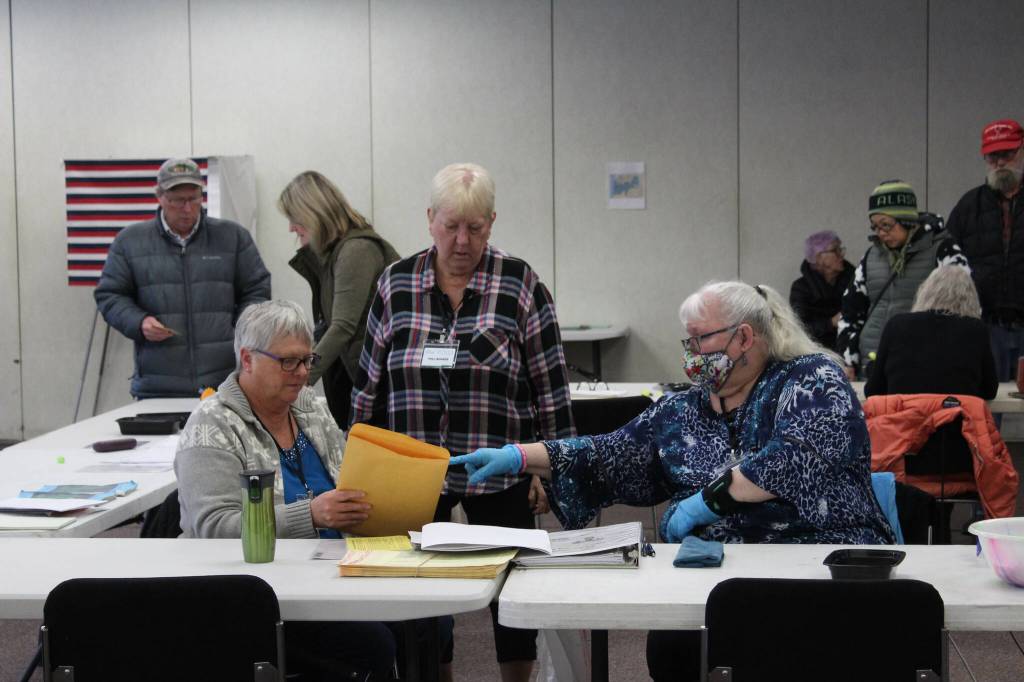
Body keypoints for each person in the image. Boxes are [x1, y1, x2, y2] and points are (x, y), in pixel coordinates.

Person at [450, 281, 895, 682]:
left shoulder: (813, 377)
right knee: (673, 647)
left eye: (702, 339)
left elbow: (797, 456)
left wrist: (706, 502)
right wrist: (521, 455)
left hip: (824, 576)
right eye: (689, 340)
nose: (691, 353)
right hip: (718, 586)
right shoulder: (684, 410)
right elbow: (611, 454)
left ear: (744, 337)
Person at [350, 162, 575, 682]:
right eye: (451, 226)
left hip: (500, 464)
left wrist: (550, 468)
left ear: (491, 223)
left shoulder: (519, 283)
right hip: (413, 467)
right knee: (418, 593)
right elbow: (368, 386)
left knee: (513, 592)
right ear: (430, 219)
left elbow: (551, 387)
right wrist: (358, 463)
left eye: (475, 228)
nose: (461, 240)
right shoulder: (396, 283)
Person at [175, 299, 396, 680]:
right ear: (247, 359)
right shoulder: (210, 425)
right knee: (374, 643)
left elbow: (346, 479)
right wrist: (310, 515)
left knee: (427, 623)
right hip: (258, 595)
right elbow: (213, 527)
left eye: (307, 360)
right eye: (287, 361)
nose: (301, 373)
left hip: (332, 573)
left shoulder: (308, 405)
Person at [94, 158, 271, 398]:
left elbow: (257, 289)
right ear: (160, 196)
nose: (187, 208)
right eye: (178, 200)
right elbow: (110, 295)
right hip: (158, 388)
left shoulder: (233, 237)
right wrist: (139, 322)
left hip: (226, 383)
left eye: (194, 198)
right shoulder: (130, 242)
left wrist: (242, 328)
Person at [279, 171, 399, 428]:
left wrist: (302, 376)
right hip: (359, 381)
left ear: (312, 212)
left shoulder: (356, 250)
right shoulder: (335, 254)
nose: (291, 227)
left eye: (293, 217)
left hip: (378, 389)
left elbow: (342, 327)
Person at [836, 180, 967, 379]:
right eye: (875, 226)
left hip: (923, 364)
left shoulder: (943, 250)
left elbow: (962, 310)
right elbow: (851, 312)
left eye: (886, 225)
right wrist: (848, 360)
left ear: (907, 220)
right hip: (872, 363)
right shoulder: (872, 256)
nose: (881, 233)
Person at [946, 119, 1024, 381]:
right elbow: (947, 266)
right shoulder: (968, 206)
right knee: (987, 409)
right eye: (993, 156)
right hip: (985, 326)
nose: (1000, 162)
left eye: (1007, 154)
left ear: (1021, 150)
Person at [865, 265, 997, 399]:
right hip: (956, 417)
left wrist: (873, 369)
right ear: (971, 298)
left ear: (925, 291)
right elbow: (989, 390)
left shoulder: (896, 325)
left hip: (905, 418)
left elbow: (873, 390)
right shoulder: (976, 330)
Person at [789, 230, 854, 349]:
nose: (842, 254)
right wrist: (831, 323)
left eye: (840, 249)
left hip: (849, 347)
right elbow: (799, 329)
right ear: (818, 257)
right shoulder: (801, 288)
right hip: (815, 351)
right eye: (835, 250)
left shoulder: (853, 280)